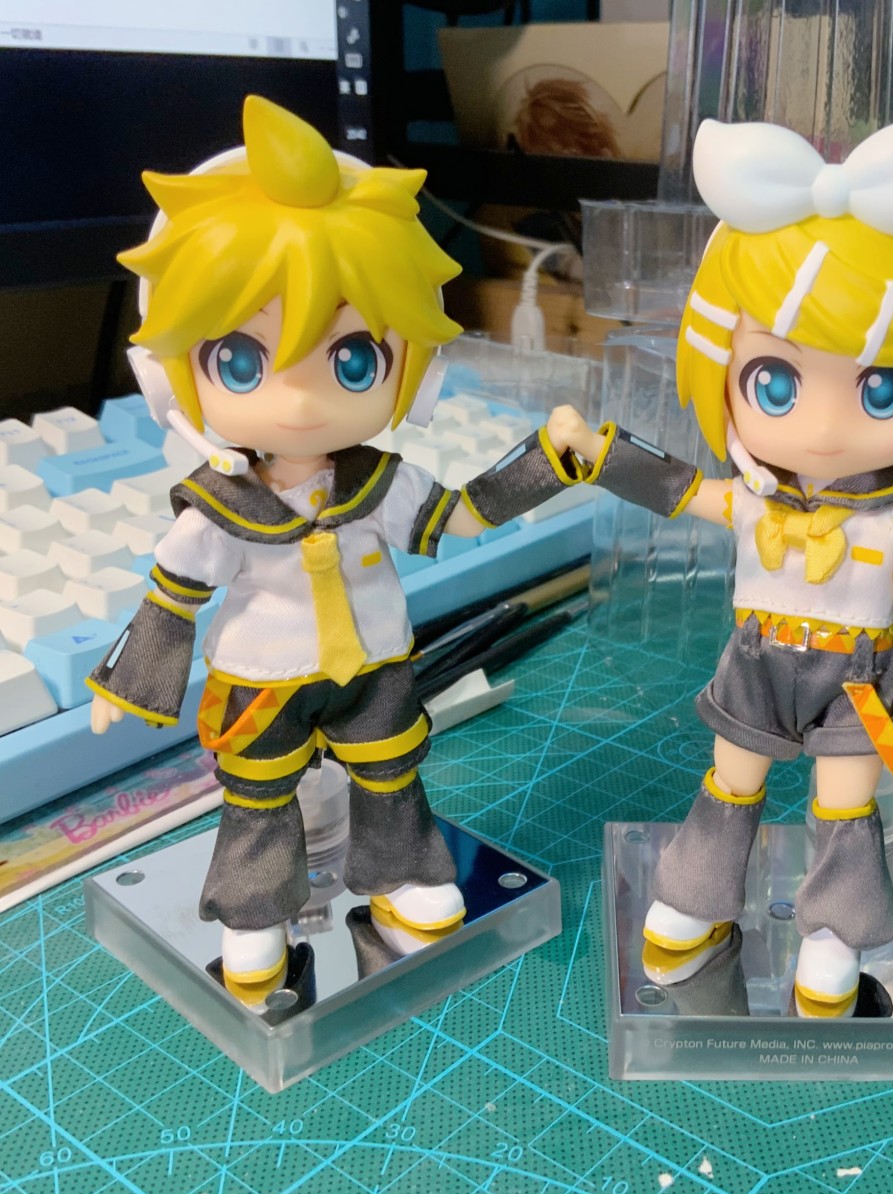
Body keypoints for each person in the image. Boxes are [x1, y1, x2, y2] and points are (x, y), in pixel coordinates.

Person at [551, 116, 893, 1016]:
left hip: (858, 681)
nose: (826, 428)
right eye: (777, 384)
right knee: (730, 786)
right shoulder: (753, 496)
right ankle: (691, 902)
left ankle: (832, 939)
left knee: (846, 810)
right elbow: (678, 487)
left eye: (882, 388)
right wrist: (597, 452)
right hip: (757, 662)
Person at [89, 96, 581, 1003]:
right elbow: (173, 595)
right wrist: (129, 686)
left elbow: (463, 515)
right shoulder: (221, 505)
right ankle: (253, 916)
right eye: (241, 362)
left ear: (413, 370)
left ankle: (403, 874)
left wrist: (549, 465)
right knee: (257, 800)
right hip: (263, 678)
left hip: (374, 665)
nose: (301, 400)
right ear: (169, 377)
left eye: (354, 361)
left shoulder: (380, 482)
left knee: (392, 776)